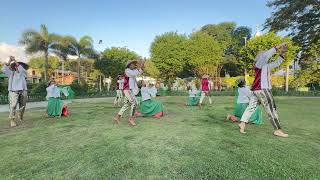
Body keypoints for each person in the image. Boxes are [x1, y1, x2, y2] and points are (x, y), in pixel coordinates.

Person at [238, 43, 289, 137]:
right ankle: (277, 130)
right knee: (271, 109)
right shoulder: (260, 63)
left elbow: (277, 62)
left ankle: (242, 123)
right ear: (260, 57)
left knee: (251, 107)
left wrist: (282, 52)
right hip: (263, 90)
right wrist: (278, 46)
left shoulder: (266, 66)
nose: (267, 55)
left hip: (256, 90)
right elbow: (266, 55)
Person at [113, 60, 145, 126]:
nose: (134, 65)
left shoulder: (132, 71)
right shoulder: (127, 70)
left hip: (130, 90)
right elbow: (135, 73)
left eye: (134, 64)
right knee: (134, 103)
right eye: (133, 64)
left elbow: (139, 72)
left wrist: (142, 65)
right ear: (129, 65)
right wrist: (140, 65)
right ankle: (131, 119)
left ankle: (117, 117)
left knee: (127, 104)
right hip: (127, 90)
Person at [2, 56, 28, 127]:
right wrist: (9, 60)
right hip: (13, 91)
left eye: (19, 65)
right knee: (13, 106)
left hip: (23, 91)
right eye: (16, 65)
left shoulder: (23, 73)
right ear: (13, 67)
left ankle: (20, 114)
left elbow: (21, 70)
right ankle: (12, 120)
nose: (18, 66)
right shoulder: (10, 73)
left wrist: (15, 60)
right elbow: (4, 69)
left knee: (23, 105)